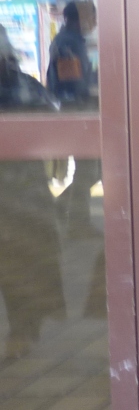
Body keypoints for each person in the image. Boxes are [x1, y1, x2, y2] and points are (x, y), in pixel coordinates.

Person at [0, 24, 66, 361]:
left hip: (15, 190)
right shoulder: (25, 85)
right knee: (20, 261)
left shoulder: (20, 86)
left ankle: (23, 332)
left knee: (15, 261)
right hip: (23, 190)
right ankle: (23, 331)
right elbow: (54, 123)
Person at [46, 1, 101, 238]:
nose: (94, 23)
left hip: (79, 111)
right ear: (80, 19)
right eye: (92, 17)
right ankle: (75, 220)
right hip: (77, 112)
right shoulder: (68, 43)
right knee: (89, 168)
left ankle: (67, 211)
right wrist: (96, 85)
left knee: (92, 169)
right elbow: (73, 84)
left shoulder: (73, 41)